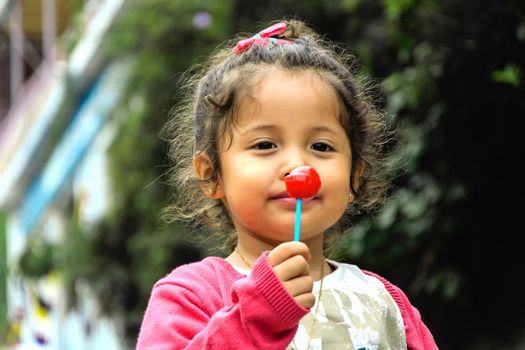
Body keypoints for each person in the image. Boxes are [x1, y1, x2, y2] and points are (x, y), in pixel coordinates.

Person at [136, 19, 438, 350]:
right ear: (211, 174)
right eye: (265, 145)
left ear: (355, 175)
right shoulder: (192, 294)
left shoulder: (384, 302)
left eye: (321, 147)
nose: (298, 166)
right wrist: (258, 314)